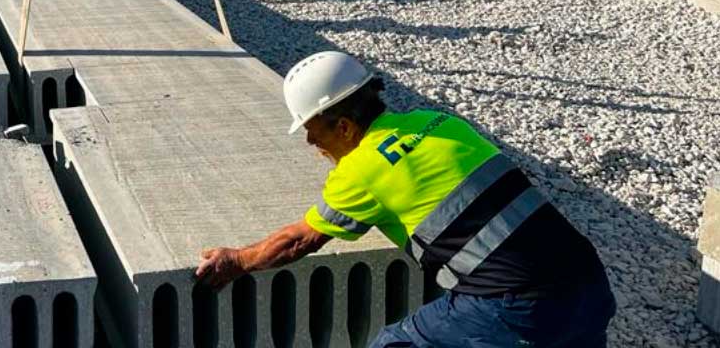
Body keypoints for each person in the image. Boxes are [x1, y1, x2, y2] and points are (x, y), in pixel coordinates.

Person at [195, 51, 615, 347]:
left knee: (393, 344)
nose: (308, 141)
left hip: (521, 310)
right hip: (591, 285)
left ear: (343, 127)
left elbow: (299, 241)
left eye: (313, 130)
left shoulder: (360, 170)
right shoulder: (438, 122)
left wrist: (238, 261)